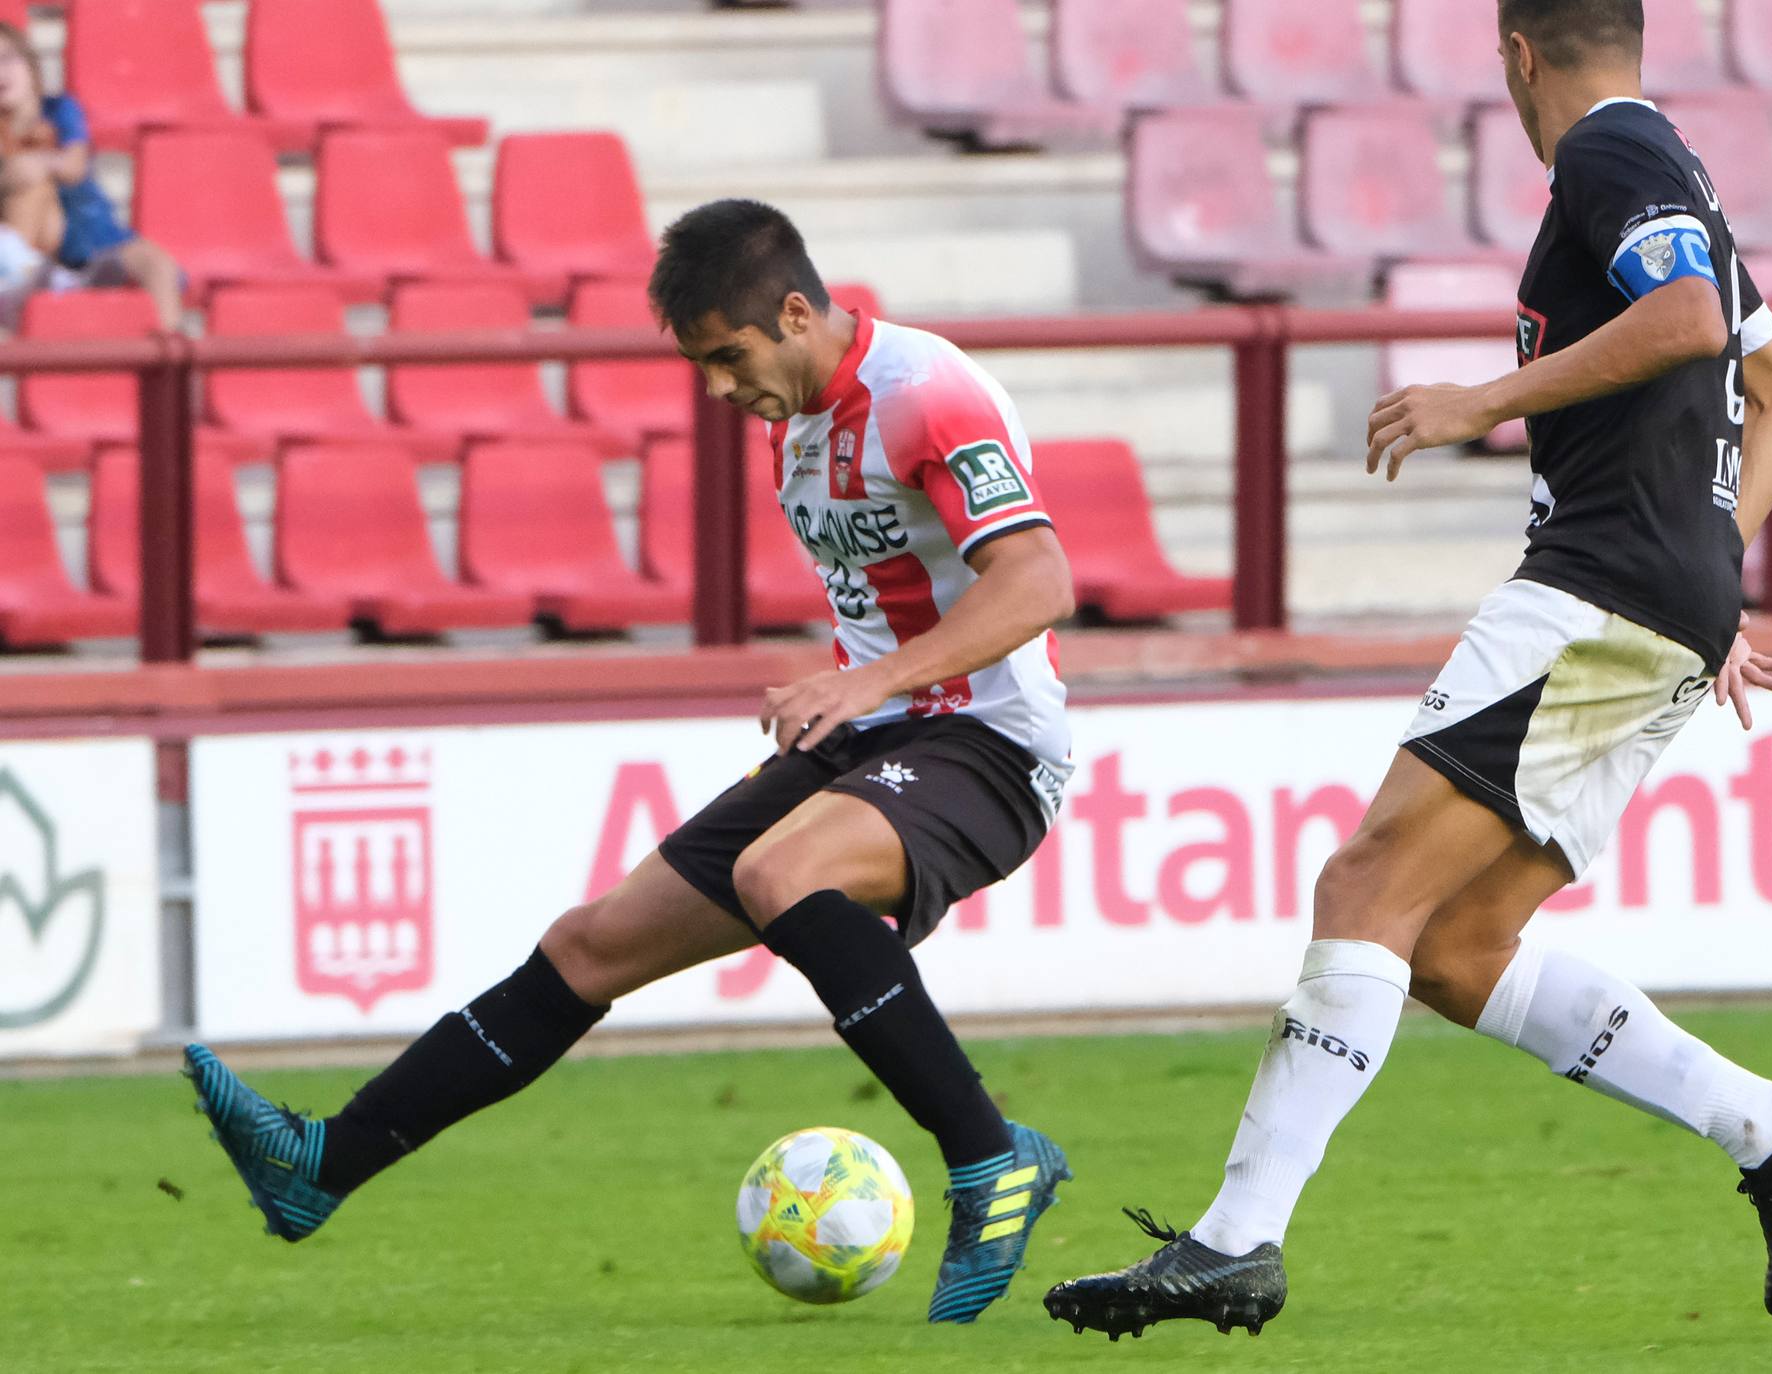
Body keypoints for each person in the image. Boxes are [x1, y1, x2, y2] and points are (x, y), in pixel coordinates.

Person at [1046, 0, 1772, 1340]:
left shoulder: (1609, 156)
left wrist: (1482, 399)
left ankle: (1236, 1242)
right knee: (1460, 944)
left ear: (1517, 55)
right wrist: (1706, 578)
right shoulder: (1679, 174)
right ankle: (1770, 1127)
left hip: (1594, 594)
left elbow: (1691, 322)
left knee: (1366, 883)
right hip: (1656, 598)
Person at [183, 199, 1080, 1325]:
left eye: (727, 358)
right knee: (589, 946)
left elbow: (1039, 581)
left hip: (988, 744)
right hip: (872, 735)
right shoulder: (796, 408)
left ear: (796, 313)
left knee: (778, 875)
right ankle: (322, 1165)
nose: (716, 388)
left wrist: (869, 678)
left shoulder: (924, 393)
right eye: (700, 364)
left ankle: (990, 1160)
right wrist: (863, 691)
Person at [0, 21, 184, 329]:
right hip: (35, 246)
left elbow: (74, 166)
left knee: (158, 266)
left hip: (92, 236)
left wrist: (41, 161)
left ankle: (171, 358)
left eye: (7, 59)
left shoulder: (60, 110)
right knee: (26, 191)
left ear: (31, 66)